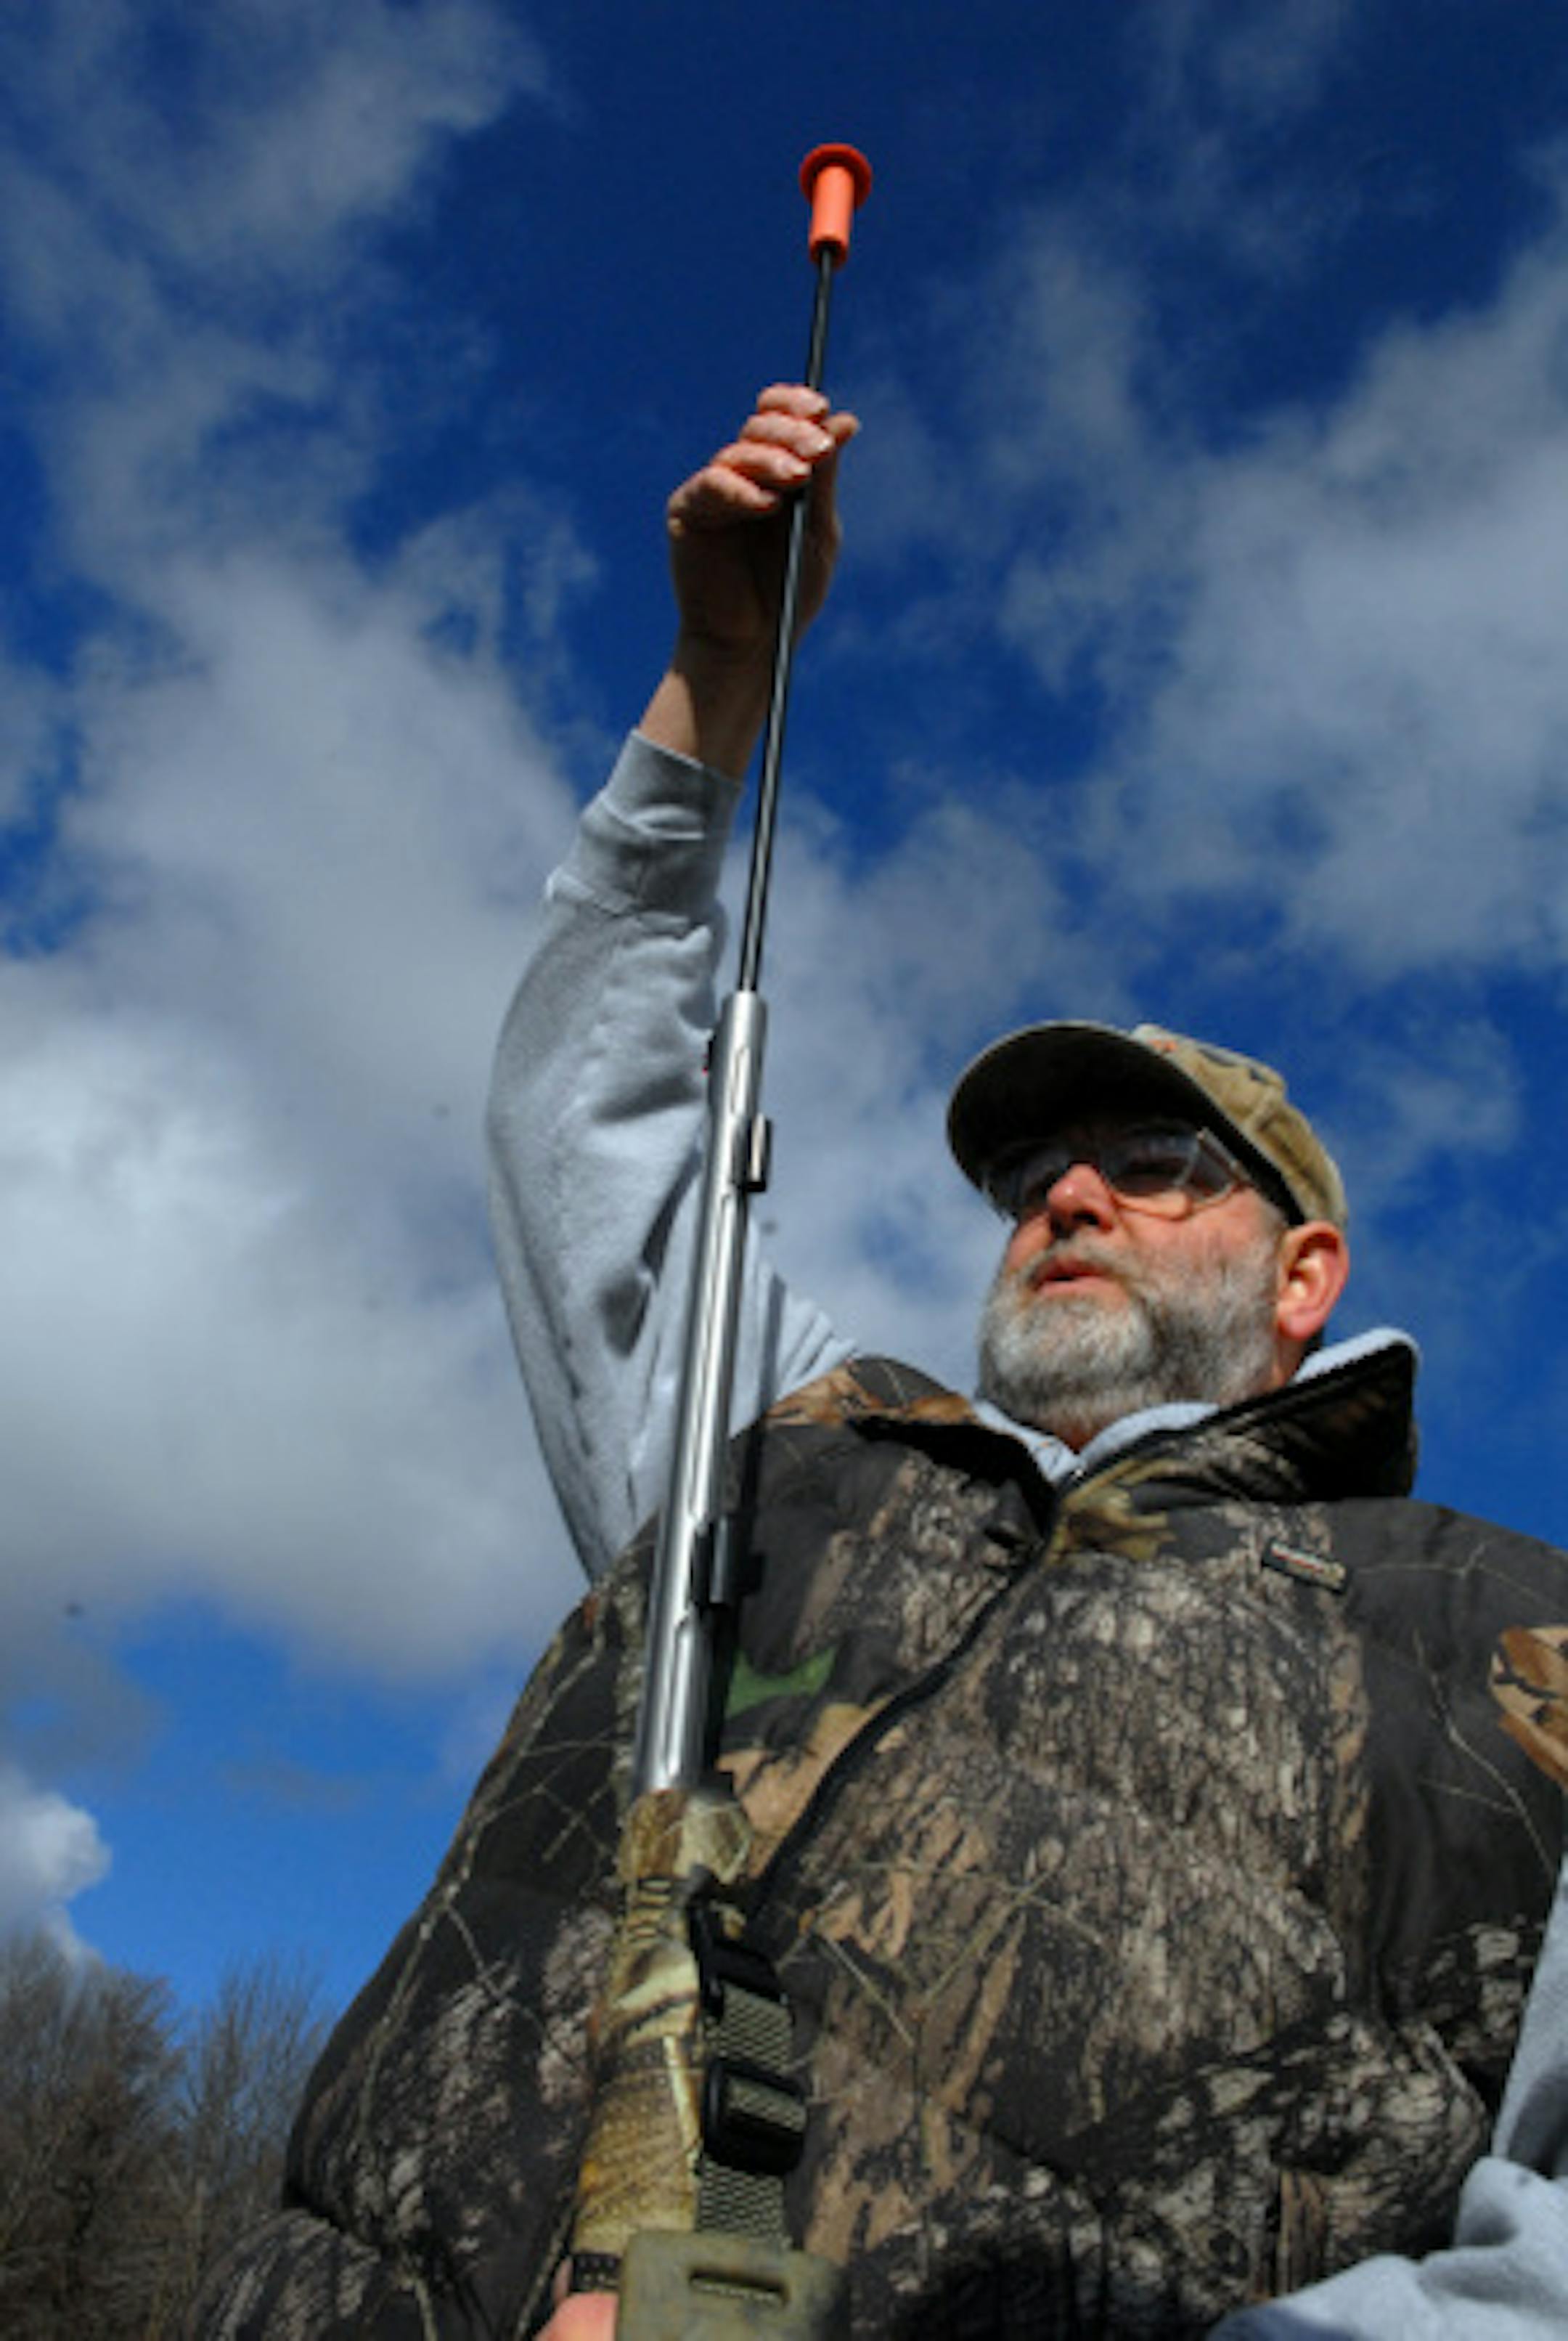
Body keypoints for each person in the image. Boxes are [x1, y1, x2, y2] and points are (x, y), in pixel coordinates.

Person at [190, 391, 1568, 2339]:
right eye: (1033, 1175)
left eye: (1155, 1169)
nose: (1068, 1195)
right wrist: (719, 681)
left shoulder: (1514, 1652)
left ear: (1304, 1275)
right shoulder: (796, 1449)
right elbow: (592, 1157)